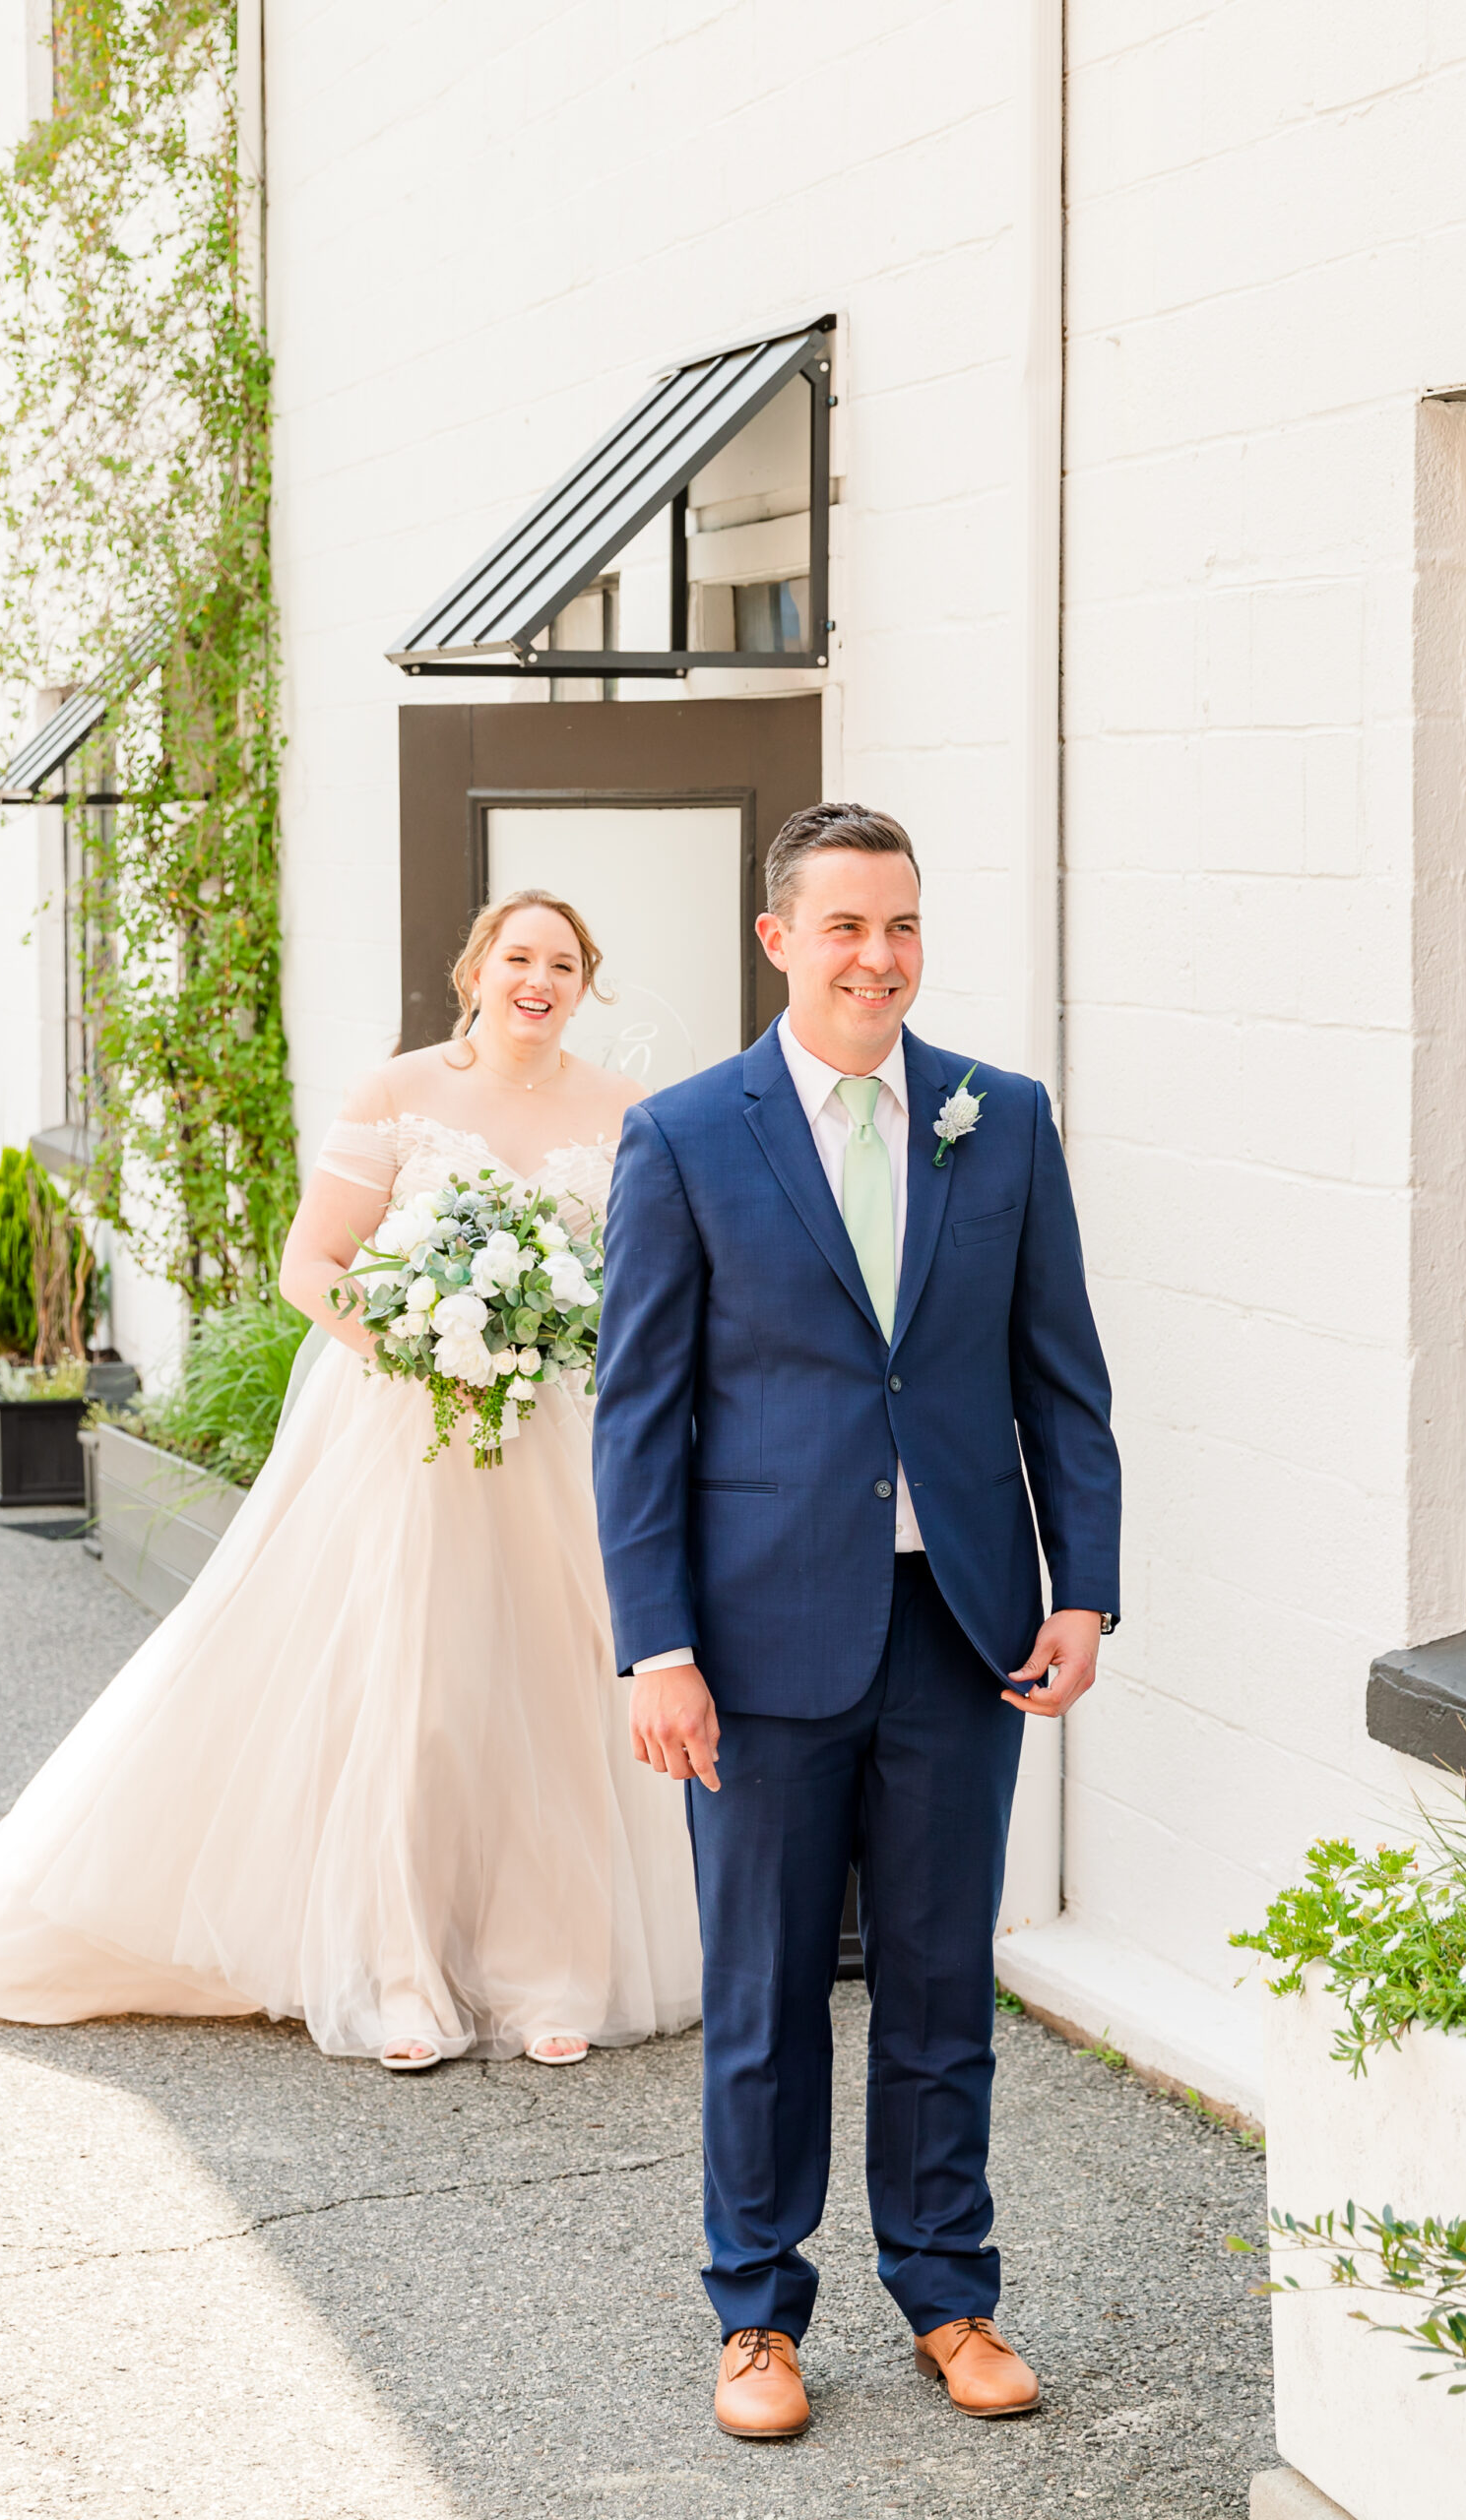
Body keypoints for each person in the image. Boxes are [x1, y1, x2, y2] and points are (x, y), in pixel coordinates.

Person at [0, 890, 700, 2071]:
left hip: (556, 1441)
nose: (537, 979)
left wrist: (549, 1337)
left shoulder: (629, 1113)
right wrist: (420, 1340)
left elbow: (642, 1285)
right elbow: (313, 1265)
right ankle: (400, 1974)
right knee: (417, 1699)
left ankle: (553, 1971)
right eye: (518, 956)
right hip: (409, 1436)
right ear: (475, 971)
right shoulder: (400, 1094)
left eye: (563, 962)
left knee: (556, 1695)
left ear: (584, 982)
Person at [593, 804, 1120, 2436]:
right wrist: (654, 1644)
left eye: (900, 926)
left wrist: (1084, 1584)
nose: (876, 958)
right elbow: (639, 1415)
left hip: (961, 1626)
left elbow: (1061, 1381)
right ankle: (755, 2316)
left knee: (936, 1981)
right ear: (778, 941)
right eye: (844, 928)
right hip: (754, 1646)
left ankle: (949, 2298)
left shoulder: (998, 1120)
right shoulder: (686, 1136)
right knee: (760, 1995)